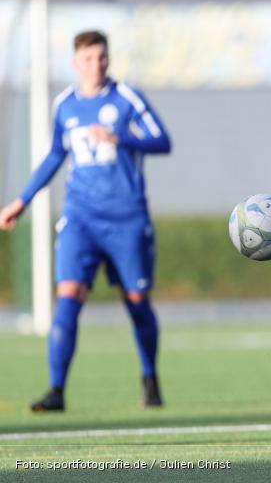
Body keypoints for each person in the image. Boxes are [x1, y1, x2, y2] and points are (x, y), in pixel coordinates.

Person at [0, 31, 171, 412]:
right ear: (76, 63)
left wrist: (122, 138)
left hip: (127, 218)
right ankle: (56, 391)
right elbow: (53, 156)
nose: (98, 65)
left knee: (137, 301)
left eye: (103, 57)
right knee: (67, 297)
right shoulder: (65, 105)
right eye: (90, 58)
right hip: (80, 218)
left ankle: (149, 377)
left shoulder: (127, 98)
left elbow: (163, 140)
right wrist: (21, 201)